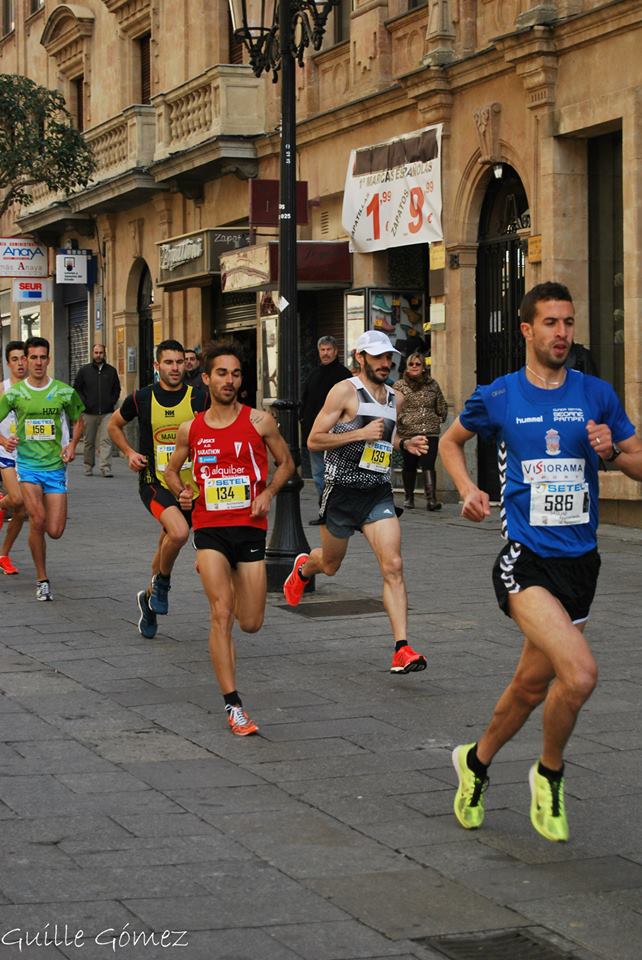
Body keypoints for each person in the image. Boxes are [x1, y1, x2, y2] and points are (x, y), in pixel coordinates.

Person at [439, 281, 642, 843]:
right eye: (550, 323)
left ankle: (474, 764)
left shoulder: (596, 394)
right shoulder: (501, 396)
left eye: (569, 322)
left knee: (531, 687)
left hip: (581, 565)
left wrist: (614, 452)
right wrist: (465, 489)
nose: (562, 333)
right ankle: (549, 773)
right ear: (526, 329)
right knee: (579, 674)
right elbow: (449, 443)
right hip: (524, 561)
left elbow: (639, 461)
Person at [165, 340, 293, 736]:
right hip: (209, 528)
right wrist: (182, 493)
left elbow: (287, 463)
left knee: (251, 622)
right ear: (206, 378)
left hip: (250, 528)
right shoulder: (193, 427)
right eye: (222, 373)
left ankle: (230, 576)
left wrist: (268, 494)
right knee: (221, 613)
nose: (229, 380)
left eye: (236, 374)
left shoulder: (260, 422)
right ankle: (234, 706)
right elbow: (171, 471)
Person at [283, 329, 429, 674]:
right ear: (360, 357)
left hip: (377, 492)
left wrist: (404, 444)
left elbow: (387, 439)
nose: (384, 363)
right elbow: (314, 440)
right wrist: (359, 433)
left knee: (393, 565)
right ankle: (305, 568)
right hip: (341, 492)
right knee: (331, 565)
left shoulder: (397, 397)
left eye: (387, 356)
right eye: (376, 357)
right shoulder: (344, 392)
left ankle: (402, 648)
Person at [108, 339, 207, 639]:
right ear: (157, 366)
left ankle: (148, 600)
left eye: (180, 362)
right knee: (178, 533)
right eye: (169, 362)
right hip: (154, 483)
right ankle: (162, 584)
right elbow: (114, 425)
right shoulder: (141, 398)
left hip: (193, 489)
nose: (175, 368)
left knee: (167, 544)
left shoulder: (199, 399)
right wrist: (129, 453)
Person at [0, 336, 85, 601]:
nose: (38, 362)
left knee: (55, 530)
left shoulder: (63, 391)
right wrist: (5, 440)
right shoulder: (14, 394)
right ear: (26, 360)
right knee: (36, 519)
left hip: (56, 469)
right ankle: (42, 579)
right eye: (33, 357)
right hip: (27, 467)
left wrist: (71, 444)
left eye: (42, 357)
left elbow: (78, 419)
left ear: (48, 359)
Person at [300, 336, 350, 525]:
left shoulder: (344, 376)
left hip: (338, 436)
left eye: (329, 349)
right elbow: (305, 402)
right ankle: (325, 512)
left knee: (337, 475)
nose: (326, 353)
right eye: (322, 350)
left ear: (336, 351)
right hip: (315, 437)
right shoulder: (313, 375)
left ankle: (340, 511)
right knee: (319, 476)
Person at [393, 351, 448, 510]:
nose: (415, 367)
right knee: (409, 464)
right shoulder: (399, 385)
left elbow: (441, 404)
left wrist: (441, 416)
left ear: (424, 367)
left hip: (429, 431)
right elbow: (394, 406)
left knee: (428, 463)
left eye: (418, 364)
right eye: (411, 364)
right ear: (407, 367)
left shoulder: (433, 384)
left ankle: (431, 499)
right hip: (409, 432)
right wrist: (402, 419)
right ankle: (409, 497)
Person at [0, 341, 28, 574]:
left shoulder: (36, 389)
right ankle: (3, 504)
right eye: (15, 359)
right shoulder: (3, 389)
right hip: (6, 453)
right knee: (17, 499)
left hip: (30, 456)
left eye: (23, 358)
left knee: (21, 511)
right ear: (8, 363)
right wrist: (4, 441)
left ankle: (4, 555)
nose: (20, 363)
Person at [73, 343, 121, 477]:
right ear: (92, 354)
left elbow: (117, 388)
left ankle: (105, 468)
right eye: (96, 353)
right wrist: (84, 403)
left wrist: (112, 400)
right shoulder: (84, 371)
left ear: (104, 354)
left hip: (107, 412)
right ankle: (88, 466)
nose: (98, 355)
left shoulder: (111, 371)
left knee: (106, 440)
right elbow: (77, 388)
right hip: (89, 412)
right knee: (89, 441)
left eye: (100, 353)